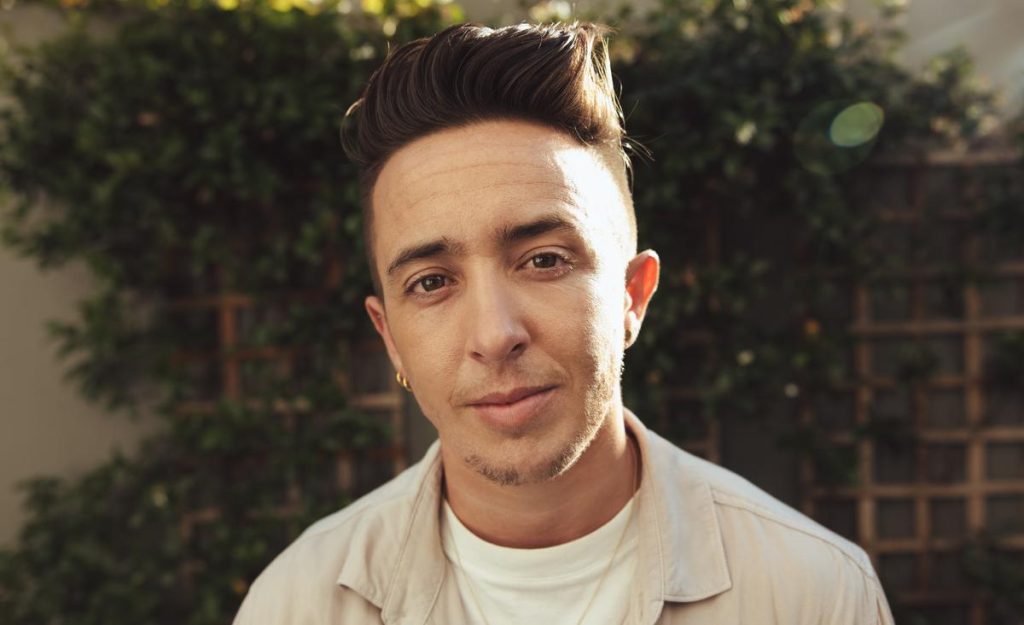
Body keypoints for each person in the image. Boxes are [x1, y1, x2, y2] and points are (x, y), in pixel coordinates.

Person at [233, 21, 895, 625]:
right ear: (390, 337)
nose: (495, 334)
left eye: (544, 260)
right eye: (431, 281)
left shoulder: (814, 594)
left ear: (632, 294)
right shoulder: (297, 605)